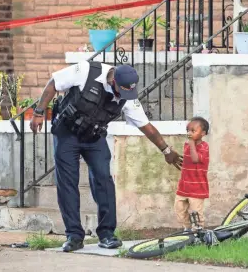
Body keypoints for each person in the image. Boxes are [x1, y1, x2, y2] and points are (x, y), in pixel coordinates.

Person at [30, 60, 182, 252]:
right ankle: (74, 236)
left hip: (94, 137)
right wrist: (38, 112)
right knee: (67, 183)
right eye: (121, 91)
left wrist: (166, 151)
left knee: (104, 180)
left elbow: (146, 127)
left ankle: (107, 234)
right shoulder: (86, 71)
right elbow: (54, 83)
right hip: (67, 133)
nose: (123, 96)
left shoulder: (127, 98)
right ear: (113, 80)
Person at [174, 116, 210, 230]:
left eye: (193, 131)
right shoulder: (187, 145)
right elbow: (188, 162)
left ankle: (199, 231)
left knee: (196, 212)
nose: (189, 133)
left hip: (197, 186)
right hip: (184, 186)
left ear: (203, 133)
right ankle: (187, 229)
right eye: (188, 130)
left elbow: (195, 158)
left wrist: (191, 142)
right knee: (179, 208)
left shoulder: (204, 147)